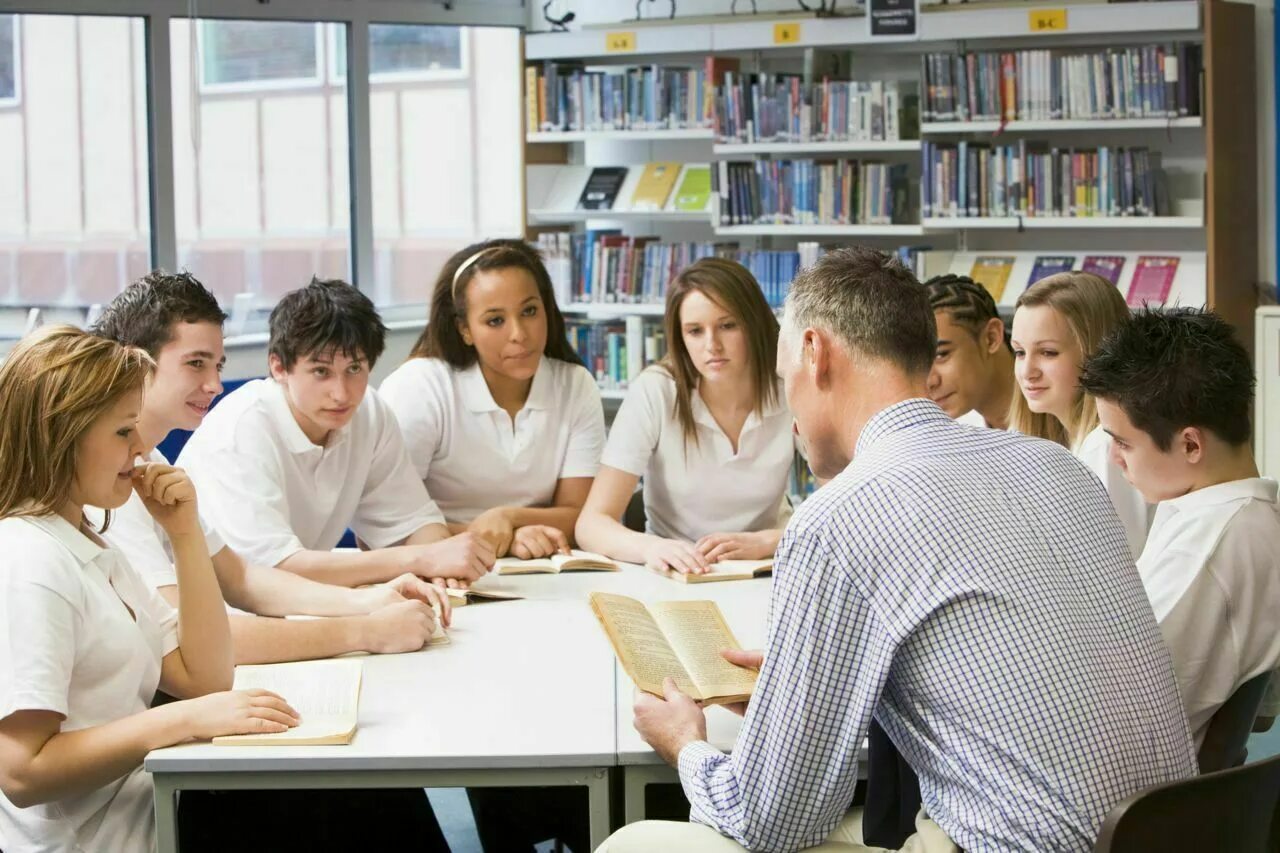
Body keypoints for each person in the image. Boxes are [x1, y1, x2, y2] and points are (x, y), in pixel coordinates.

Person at [598, 247, 1196, 853]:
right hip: (1175, 832)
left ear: (815, 353)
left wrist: (686, 744)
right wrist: (804, 697)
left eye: (785, 381)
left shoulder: (838, 518)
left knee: (638, 842)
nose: (792, 419)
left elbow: (770, 821)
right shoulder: (1059, 467)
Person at [0, 326, 299, 853]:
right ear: (60, 435)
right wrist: (180, 719)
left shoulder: (88, 542)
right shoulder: (30, 561)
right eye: (122, 432)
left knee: (348, 796)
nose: (141, 449)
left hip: (147, 804)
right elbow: (23, 773)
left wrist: (184, 533)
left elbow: (205, 677)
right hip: (106, 838)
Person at [92, 270, 451, 664]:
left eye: (218, 366)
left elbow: (242, 578)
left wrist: (368, 599)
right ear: (133, 361)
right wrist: (364, 629)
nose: (214, 385)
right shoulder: (105, 476)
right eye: (196, 364)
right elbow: (188, 637)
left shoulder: (151, 460)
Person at [177, 277, 495, 588]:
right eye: (321, 372)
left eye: (354, 369)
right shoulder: (240, 432)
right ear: (278, 367)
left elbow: (413, 525)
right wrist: (421, 559)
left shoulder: (368, 412)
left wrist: (442, 569)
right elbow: (275, 571)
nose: (341, 394)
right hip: (205, 609)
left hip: (301, 605)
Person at [1080, 307, 1280, 746]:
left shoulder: (1209, 547)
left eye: (1123, 442)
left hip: (1137, 797)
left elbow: (1114, 718)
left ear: (1190, 444)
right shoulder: (1239, 518)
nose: (1115, 458)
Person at [381, 240, 605, 560]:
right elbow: (385, 526)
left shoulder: (575, 384)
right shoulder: (421, 386)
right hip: (431, 568)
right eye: (495, 320)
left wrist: (510, 518)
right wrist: (503, 539)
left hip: (539, 568)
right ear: (465, 330)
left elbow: (581, 515)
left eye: (529, 311)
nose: (519, 334)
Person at [575, 257, 793, 575]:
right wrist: (653, 548)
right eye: (695, 331)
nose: (712, 345)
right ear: (680, 338)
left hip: (764, 567)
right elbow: (591, 524)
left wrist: (767, 541)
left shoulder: (788, 385)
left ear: (754, 323)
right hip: (677, 574)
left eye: (727, 325)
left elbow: (841, 510)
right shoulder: (656, 391)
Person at [1009, 272, 1151, 556]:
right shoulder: (1070, 442)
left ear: (1097, 354)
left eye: (1048, 353)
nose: (1027, 372)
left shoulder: (1107, 447)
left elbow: (1119, 567)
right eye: (1020, 352)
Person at [924, 273, 1015, 429]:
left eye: (941, 354)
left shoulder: (1064, 420)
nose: (930, 381)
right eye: (917, 363)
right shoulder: (950, 429)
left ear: (991, 338)